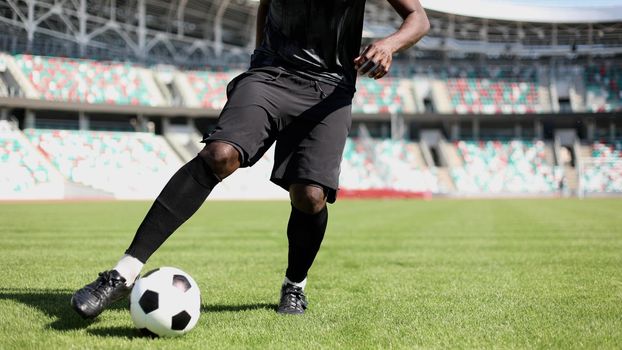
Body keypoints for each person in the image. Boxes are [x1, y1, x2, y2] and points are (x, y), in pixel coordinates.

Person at [71, 0, 430, 317]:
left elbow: (418, 17)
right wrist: (259, 60)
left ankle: (295, 285)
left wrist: (388, 45)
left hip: (329, 88)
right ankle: (123, 274)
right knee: (219, 154)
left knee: (310, 196)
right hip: (272, 75)